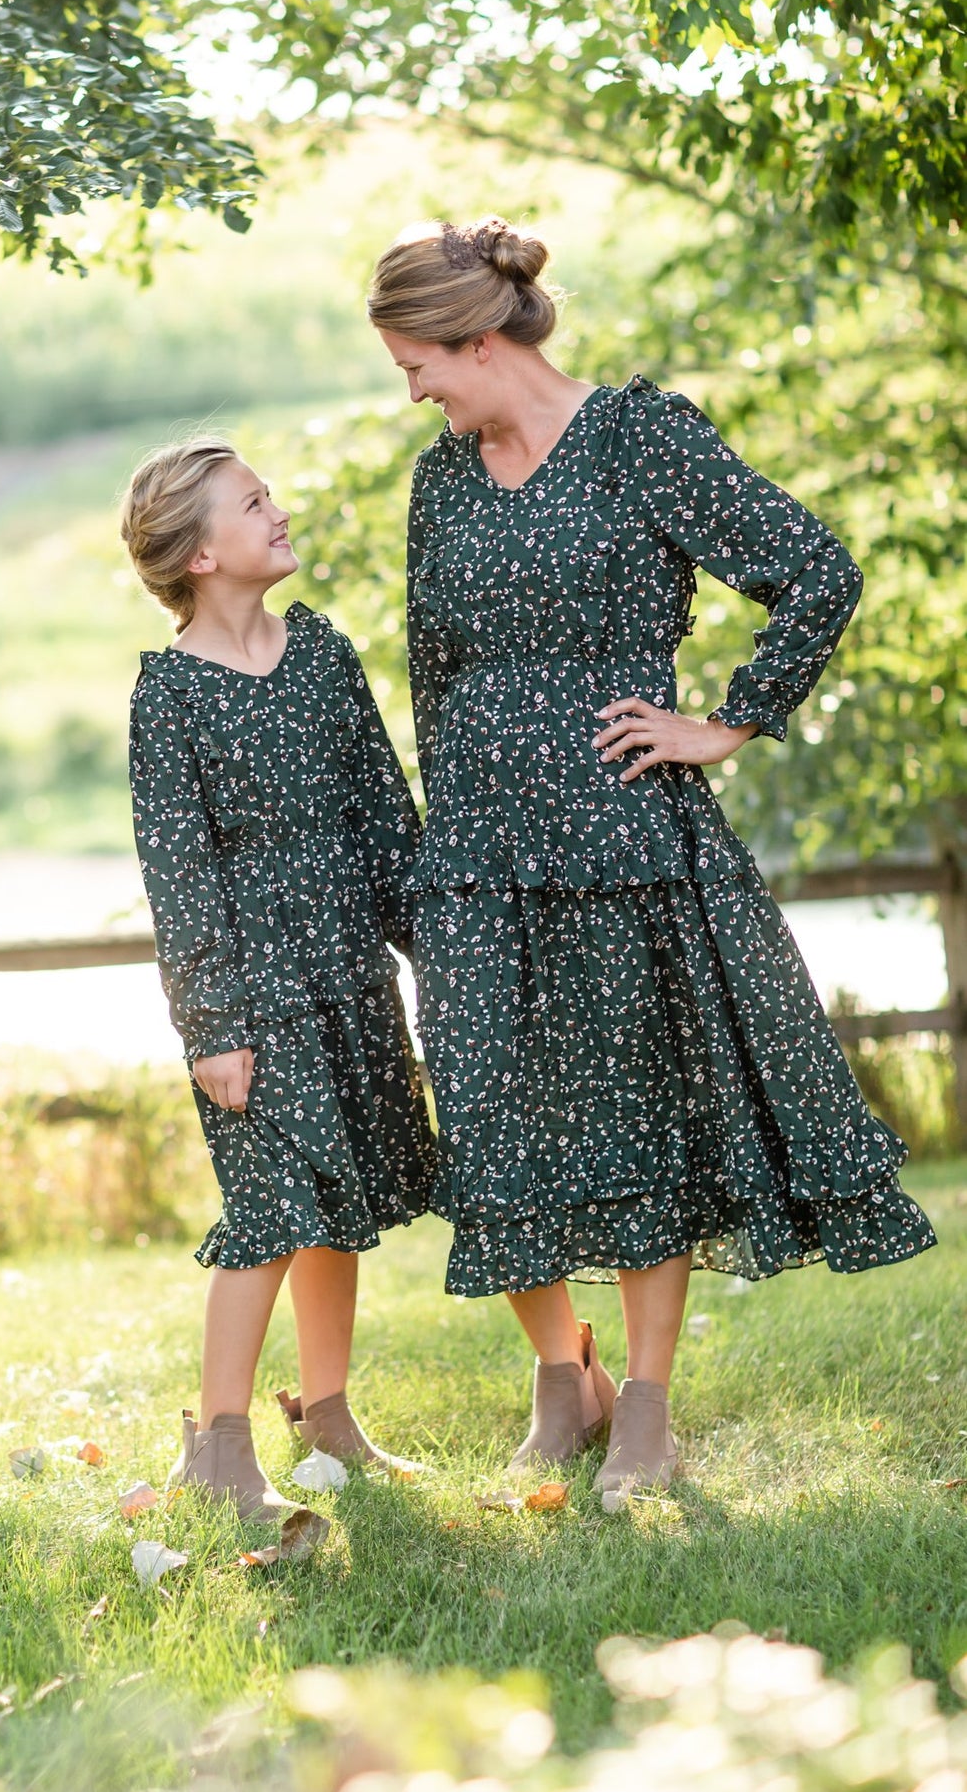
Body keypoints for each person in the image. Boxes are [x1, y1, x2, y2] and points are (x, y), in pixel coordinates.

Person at [367, 216, 937, 1504]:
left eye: (415, 364)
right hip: (478, 853)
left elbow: (813, 571)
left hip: (623, 836)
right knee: (498, 1126)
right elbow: (435, 673)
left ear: (473, 337)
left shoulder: (639, 440)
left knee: (635, 1118)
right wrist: (432, 845)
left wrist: (725, 724)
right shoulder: (438, 480)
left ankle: (649, 1406)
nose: (409, 390)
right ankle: (562, 1383)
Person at [120, 435, 437, 1522]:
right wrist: (211, 1024)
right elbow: (178, 870)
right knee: (267, 1209)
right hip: (250, 1001)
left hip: (348, 976)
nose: (278, 513)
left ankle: (331, 1416)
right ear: (197, 555)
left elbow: (383, 820)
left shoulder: (322, 656)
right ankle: (216, 1450)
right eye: (252, 505)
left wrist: (434, 954)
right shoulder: (168, 698)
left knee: (334, 1203)